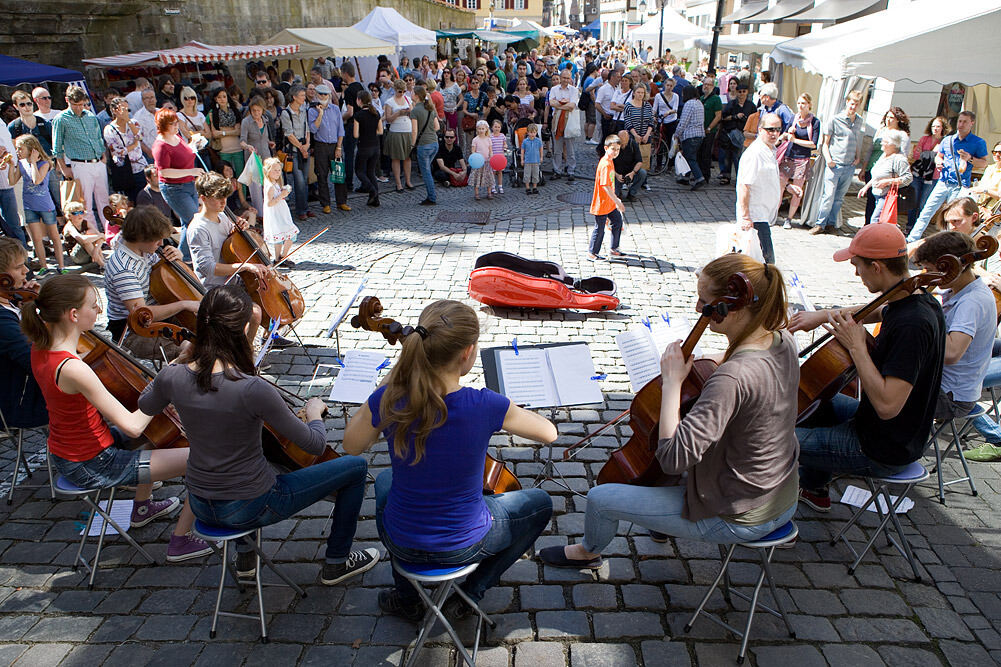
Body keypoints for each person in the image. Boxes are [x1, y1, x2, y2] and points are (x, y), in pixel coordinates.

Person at [539, 253, 799, 568]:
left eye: (704, 303)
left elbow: (673, 459)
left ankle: (588, 552)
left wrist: (674, 383)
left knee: (600, 498)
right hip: (781, 494)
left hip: (742, 514)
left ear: (733, 307)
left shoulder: (732, 378)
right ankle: (660, 524)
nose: (696, 309)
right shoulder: (781, 340)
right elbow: (742, 369)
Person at [141, 284, 379, 582]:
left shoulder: (172, 376)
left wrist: (177, 361)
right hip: (250, 505)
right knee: (356, 468)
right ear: (242, 328)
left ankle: (245, 560)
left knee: (255, 459)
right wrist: (315, 413)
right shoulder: (252, 388)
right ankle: (337, 561)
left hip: (201, 503)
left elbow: (145, 403)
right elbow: (316, 445)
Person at [342, 299, 555, 621]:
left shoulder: (390, 399)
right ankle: (470, 593)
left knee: (386, 481)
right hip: (463, 544)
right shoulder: (484, 404)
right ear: (468, 352)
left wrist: (390, 383)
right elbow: (549, 433)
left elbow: (352, 446)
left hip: (401, 541)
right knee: (539, 503)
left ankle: (407, 599)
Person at [24, 273, 213, 561]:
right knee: (207, 459)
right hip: (92, 463)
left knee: (159, 434)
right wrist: (171, 374)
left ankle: (142, 508)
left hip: (73, 451)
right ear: (74, 315)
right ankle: (181, 541)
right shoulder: (73, 367)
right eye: (93, 305)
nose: (99, 310)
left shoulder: (40, 349)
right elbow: (133, 426)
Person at [790, 224, 945, 511]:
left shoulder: (913, 325)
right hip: (878, 425)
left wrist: (857, 347)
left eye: (857, 266)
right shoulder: (914, 298)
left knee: (772, 442)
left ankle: (771, 520)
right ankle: (814, 489)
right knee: (814, 400)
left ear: (876, 267)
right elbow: (876, 309)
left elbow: (888, 405)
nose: (855, 273)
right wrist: (823, 315)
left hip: (880, 447)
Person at [912, 232, 996, 422]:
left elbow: (951, 353)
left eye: (930, 270)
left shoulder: (972, 301)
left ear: (949, 267)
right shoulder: (958, 290)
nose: (928, 276)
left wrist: (921, 319)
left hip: (949, 397)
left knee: (881, 395)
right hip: (941, 385)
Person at [103, 206, 199, 356]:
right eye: (157, 239)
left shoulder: (144, 251)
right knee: (192, 350)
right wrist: (184, 304)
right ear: (140, 237)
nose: (161, 244)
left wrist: (177, 255)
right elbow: (143, 315)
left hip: (161, 316)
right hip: (134, 331)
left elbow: (163, 273)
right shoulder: (124, 270)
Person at [907, 111, 989, 243]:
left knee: (952, 217)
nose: (961, 124)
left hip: (959, 185)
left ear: (972, 123)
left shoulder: (978, 142)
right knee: (927, 211)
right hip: (943, 182)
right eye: (960, 121)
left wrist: (970, 158)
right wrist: (938, 161)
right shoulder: (948, 140)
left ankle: (944, 242)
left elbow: (984, 163)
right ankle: (912, 239)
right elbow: (939, 155)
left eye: (965, 122)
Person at [738, 113, 799, 265]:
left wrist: (788, 187)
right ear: (760, 130)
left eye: (777, 130)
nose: (774, 134)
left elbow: (769, 177)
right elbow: (744, 185)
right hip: (755, 216)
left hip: (763, 214)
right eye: (770, 129)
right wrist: (746, 217)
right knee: (767, 263)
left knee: (757, 263)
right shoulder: (755, 153)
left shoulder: (769, 150)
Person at [0, 238, 47, 429]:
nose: (26, 271)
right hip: (21, 403)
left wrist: (32, 307)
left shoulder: (11, 302)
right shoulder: (3, 321)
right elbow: (38, 362)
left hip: (28, 388)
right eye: (19, 267)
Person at [52, 86, 111, 234]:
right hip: (80, 163)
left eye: (81, 104)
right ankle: (94, 234)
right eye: (75, 104)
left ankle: (110, 232)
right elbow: (57, 146)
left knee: (104, 201)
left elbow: (98, 138)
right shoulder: (61, 119)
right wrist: (64, 168)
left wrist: (103, 155)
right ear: (67, 101)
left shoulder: (90, 116)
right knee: (86, 204)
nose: (78, 108)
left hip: (97, 161)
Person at [151, 108, 204, 260]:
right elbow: (164, 172)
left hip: (188, 185)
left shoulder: (176, 136)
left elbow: (185, 153)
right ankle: (182, 257)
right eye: (172, 123)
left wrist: (194, 144)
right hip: (174, 188)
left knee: (189, 223)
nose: (176, 126)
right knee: (193, 222)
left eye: (176, 123)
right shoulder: (161, 145)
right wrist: (191, 172)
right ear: (163, 125)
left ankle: (184, 257)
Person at [810, 91, 864, 235]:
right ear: (847, 102)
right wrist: (829, 159)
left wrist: (858, 157)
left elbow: (856, 140)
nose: (853, 106)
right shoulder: (835, 119)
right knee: (828, 196)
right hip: (835, 164)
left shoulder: (859, 121)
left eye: (856, 104)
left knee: (839, 198)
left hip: (849, 165)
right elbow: (825, 143)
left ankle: (831, 224)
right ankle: (819, 224)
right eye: (852, 103)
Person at [8, 134, 63, 275]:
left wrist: (33, 162)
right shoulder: (21, 164)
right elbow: (12, 181)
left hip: (45, 205)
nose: (18, 151)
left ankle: (61, 266)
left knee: (54, 236)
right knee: (37, 238)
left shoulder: (44, 164)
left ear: (31, 149)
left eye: (20, 148)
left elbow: (36, 180)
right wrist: (9, 166)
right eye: (17, 149)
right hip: (29, 205)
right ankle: (44, 266)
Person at [861, 108, 911, 225]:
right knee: (871, 204)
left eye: (892, 118)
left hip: (887, 185)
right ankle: (868, 227)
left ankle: (872, 232)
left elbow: (905, 170)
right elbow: (870, 151)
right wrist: (865, 173)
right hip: (876, 175)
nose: (888, 120)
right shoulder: (882, 134)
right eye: (887, 117)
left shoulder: (900, 141)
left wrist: (890, 180)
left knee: (878, 218)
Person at [308, 84, 350, 214]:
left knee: (339, 174)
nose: (323, 97)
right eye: (320, 94)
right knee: (322, 175)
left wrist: (338, 147)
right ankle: (325, 203)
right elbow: (313, 129)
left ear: (329, 95)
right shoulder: (312, 111)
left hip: (334, 145)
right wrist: (320, 113)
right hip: (321, 145)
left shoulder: (335, 109)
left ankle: (341, 201)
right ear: (316, 95)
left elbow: (340, 130)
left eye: (325, 94)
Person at [908, 117, 950, 232]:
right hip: (918, 174)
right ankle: (909, 225)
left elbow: (945, 159)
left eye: (938, 126)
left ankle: (917, 228)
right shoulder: (924, 139)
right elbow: (916, 155)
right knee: (913, 201)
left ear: (943, 128)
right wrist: (932, 153)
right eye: (933, 126)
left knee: (923, 203)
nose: (935, 129)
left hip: (933, 177)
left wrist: (926, 154)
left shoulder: (945, 142)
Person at [588, 134, 626, 261]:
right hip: (602, 202)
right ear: (606, 148)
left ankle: (614, 248)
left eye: (618, 149)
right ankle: (592, 253)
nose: (615, 152)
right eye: (613, 149)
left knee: (617, 222)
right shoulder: (605, 164)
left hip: (609, 202)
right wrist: (617, 201)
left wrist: (615, 200)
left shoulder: (609, 162)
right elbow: (605, 186)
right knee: (599, 229)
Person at [104, 97, 148, 203]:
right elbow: (116, 152)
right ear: (114, 110)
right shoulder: (109, 129)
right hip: (126, 170)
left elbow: (140, 136)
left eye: (127, 109)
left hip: (141, 166)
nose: (125, 112)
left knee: (146, 197)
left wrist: (128, 120)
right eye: (122, 109)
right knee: (133, 200)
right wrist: (133, 145)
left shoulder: (134, 123)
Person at [279, 84, 312, 222]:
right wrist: (302, 148)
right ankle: (301, 210)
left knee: (305, 180)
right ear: (294, 97)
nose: (304, 98)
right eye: (302, 96)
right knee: (299, 181)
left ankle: (304, 206)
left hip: (304, 147)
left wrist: (307, 145)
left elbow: (307, 129)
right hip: (294, 151)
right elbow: (289, 134)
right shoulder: (286, 113)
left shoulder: (304, 110)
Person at [238, 97, 275, 215]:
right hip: (253, 158)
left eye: (258, 110)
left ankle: (270, 210)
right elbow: (242, 141)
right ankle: (259, 214)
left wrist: (270, 143)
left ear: (262, 110)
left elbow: (265, 138)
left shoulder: (265, 120)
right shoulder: (246, 122)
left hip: (266, 157)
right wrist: (247, 146)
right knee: (256, 188)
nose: (256, 113)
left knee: (268, 184)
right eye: (253, 110)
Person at [205, 88, 245, 185]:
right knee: (225, 177)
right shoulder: (212, 113)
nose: (222, 99)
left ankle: (242, 199)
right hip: (223, 149)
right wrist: (231, 130)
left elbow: (239, 131)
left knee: (241, 177)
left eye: (224, 96)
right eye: (219, 97)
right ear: (215, 99)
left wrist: (222, 132)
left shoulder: (235, 111)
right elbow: (214, 133)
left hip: (237, 148)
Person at [383, 80, 415, 194]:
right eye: (400, 91)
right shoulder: (389, 102)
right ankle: (398, 183)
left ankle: (408, 180)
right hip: (396, 131)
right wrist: (398, 113)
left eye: (404, 91)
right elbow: (388, 118)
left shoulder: (407, 99)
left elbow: (413, 112)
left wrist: (408, 111)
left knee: (407, 157)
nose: (402, 93)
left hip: (407, 130)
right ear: (395, 90)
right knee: (396, 158)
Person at [354, 91, 383, 208]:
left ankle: (371, 190)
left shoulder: (358, 115)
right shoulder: (376, 113)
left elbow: (356, 135)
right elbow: (380, 131)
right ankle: (375, 199)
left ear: (359, 100)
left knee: (359, 171)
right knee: (371, 172)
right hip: (375, 146)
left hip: (364, 146)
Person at [549, 69, 579, 181]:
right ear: (560, 78)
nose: (566, 80)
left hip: (569, 121)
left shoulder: (574, 90)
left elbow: (572, 106)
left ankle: (571, 170)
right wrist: (564, 104)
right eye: (564, 78)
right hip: (556, 121)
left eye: (568, 78)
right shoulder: (554, 89)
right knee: (557, 149)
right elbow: (551, 102)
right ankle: (557, 170)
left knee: (570, 148)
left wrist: (559, 105)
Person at [676, 86, 705, 190]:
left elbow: (684, 121)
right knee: (690, 156)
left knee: (690, 158)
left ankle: (699, 177)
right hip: (699, 134)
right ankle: (686, 177)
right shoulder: (699, 103)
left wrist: (677, 134)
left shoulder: (689, 104)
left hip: (690, 135)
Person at [61, 201, 106, 270]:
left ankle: (102, 259)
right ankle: (103, 265)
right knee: (87, 240)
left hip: (91, 253)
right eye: (76, 213)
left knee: (91, 233)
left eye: (81, 212)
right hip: (77, 256)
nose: (79, 215)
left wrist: (96, 251)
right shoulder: (70, 227)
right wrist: (100, 235)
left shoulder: (85, 222)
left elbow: (101, 238)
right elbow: (83, 239)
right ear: (69, 216)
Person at [697, 76, 723, 183]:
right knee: (699, 153)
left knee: (706, 154)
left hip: (709, 131)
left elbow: (718, 116)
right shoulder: (702, 98)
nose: (706, 86)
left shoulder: (716, 99)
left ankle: (706, 176)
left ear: (713, 86)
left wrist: (709, 128)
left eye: (708, 84)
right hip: (699, 130)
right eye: (705, 84)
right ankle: (699, 175)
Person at [651, 78, 679, 173]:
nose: (669, 87)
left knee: (671, 143)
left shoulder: (676, 96)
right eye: (667, 85)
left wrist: (669, 112)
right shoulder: (658, 96)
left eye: (671, 86)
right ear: (664, 85)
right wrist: (654, 116)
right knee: (659, 143)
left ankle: (670, 165)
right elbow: (654, 109)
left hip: (672, 121)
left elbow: (675, 109)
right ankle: (658, 164)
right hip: (661, 121)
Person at [613, 130, 646, 203]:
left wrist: (632, 173)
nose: (623, 145)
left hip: (630, 171)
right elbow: (607, 164)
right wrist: (616, 174)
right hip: (617, 173)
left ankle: (632, 193)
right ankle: (618, 192)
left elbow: (639, 161)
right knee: (615, 195)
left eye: (624, 142)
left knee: (642, 173)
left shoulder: (632, 144)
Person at [970, 140, 1001, 216]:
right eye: (994, 152)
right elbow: (981, 185)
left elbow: (999, 196)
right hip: (979, 205)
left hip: (992, 211)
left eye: (1000, 152)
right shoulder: (989, 168)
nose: (997, 155)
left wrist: (985, 191)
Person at [521, 123, 543, 195]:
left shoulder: (538, 141)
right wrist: (522, 159)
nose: (532, 134)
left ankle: (534, 187)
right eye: (531, 132)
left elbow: (541, 149)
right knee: (527, 175)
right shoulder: (525, 141)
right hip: (528, 161)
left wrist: (541, 157)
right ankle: (527, 188)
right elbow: (522, 151)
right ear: (527, 132)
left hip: (536, 161)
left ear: (536, 132)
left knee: (535, 175)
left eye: (534, 132)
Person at [489, 119, 506, 195]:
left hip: (500, 157)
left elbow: (504, 144)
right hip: (493, 157)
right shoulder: (490, 136)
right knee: (493, 172)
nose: (497, 128)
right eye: (495, 127)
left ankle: (500, 186)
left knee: (500, 172)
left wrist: (505, 146)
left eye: (498, 127)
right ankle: (493, 186)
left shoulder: (502, 136)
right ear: (492, 127)